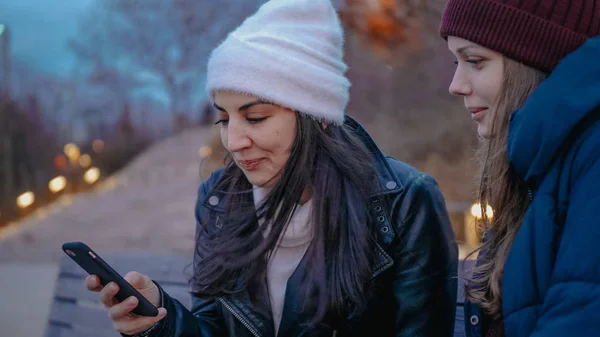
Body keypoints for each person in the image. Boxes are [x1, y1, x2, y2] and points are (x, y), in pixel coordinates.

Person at [86, 0, 459, 336]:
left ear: (318, 115)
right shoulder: (219, 202)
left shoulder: (404, 203)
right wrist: (161, 322)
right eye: (224, 120)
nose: (234, 142)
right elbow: (214, 329)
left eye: (256, 117)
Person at [440, 0, 600, 336]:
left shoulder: (590, 157)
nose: (456, 84)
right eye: (457, 61)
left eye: (474, 61)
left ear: (536, 59)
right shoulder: (538, 166)